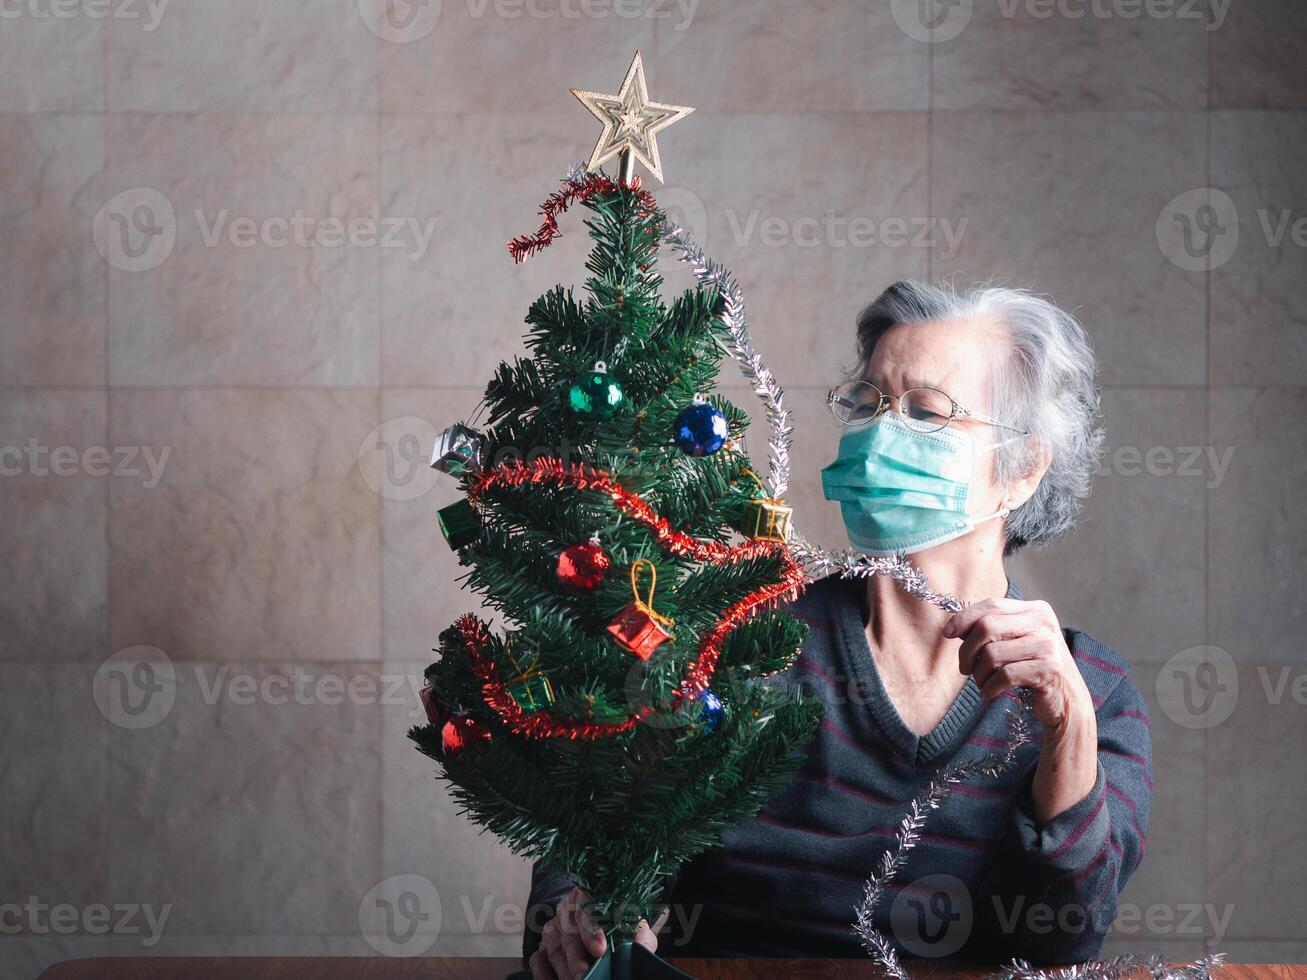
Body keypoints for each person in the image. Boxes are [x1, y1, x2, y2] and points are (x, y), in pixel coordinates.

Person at [523, 281, 1152, 979]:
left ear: (1022, 469)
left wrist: (1068, 729)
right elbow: (585, 855)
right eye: (868, 403)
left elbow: (1061, 943)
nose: (880, 431)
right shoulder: (741, 639)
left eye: (925, 411)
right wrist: (586, 919)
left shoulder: (1089, 692)